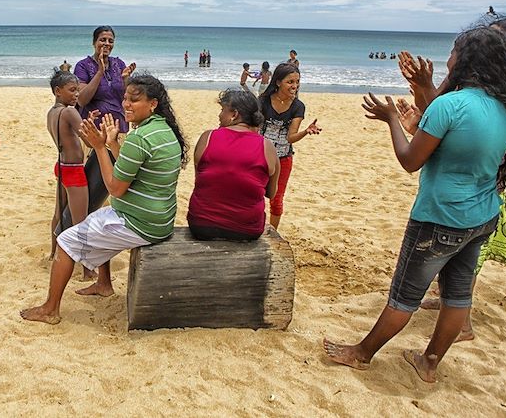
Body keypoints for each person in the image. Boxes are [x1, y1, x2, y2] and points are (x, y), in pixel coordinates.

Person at [324, 26, 506, 383]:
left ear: (466, 58)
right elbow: (461, 148)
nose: (449, 56)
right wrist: (421, 110)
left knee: (403, 296)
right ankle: (429, 362)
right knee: (457, 296)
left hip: (439, 217)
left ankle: (362, 354)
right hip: (482, 216)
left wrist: (392, 119)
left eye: (454, 49)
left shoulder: (450, 105)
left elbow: (410, 160)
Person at [397, 12, 506, 341]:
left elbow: (437, 125)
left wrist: (400, 121)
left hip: (459, 196)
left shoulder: (497, 91)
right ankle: (451, 317)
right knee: (458, 270)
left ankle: (461, 324)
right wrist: (422, 88)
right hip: (478, 197)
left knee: (447, 270)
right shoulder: (498, 94)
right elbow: (439, 115)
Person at [21, 75, 187, 324]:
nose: (126, 104)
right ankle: (103, 283)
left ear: (153, 104)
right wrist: (111, 144)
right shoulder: (162, 130)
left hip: (139, 222)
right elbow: (130, 169)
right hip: (158, 217)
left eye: (134, 99)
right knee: (97, 218)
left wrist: (99, 147)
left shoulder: (140, 138)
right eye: (125, 98)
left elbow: (115, 188)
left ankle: (50, 309)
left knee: (66, 241)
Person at [69, 26, 136, 285]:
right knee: (94, 181)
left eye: (110, 40)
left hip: (118, 129)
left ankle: (100, 225)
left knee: (115, 178)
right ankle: (85, 230)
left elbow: (127, 98)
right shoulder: (83, 66)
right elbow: (82, 98)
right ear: (94, 42)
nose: (106, 44)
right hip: (94, 130)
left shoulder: (119, 64)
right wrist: (99, 69)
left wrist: (127, 79)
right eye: (102, 40)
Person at [187, 89, 279, 241]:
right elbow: (271, 193)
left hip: (201, 225)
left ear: (234, 114)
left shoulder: (207, 138)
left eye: (223, 110)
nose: (219, 115)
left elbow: (200, 180)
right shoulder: (267, 147)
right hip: (248, 229)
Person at [257, 63, 321, 230]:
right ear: (278, 82)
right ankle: (254, 227)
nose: (295, 86)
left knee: (276, 199)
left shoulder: (298, 106)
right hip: (259, 156)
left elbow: (290, 137)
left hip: (283, 158)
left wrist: (307, 131)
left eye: (297, 82)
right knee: (255, 195)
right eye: (290, 82)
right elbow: (254, 130)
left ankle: (272, 235)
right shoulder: (263, 101)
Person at [46, 70, 96, 280]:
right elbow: (87, 140)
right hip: (75, 169)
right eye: (72, 90)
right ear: (58, 91)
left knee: (59, 212)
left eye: (78, 90)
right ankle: (87, 270)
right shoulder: (69, 112)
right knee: (80, 221)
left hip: (61, 166)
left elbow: (70, 134)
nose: (77, 95)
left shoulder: (52, 112)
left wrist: (87, 121)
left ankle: (53, 253)